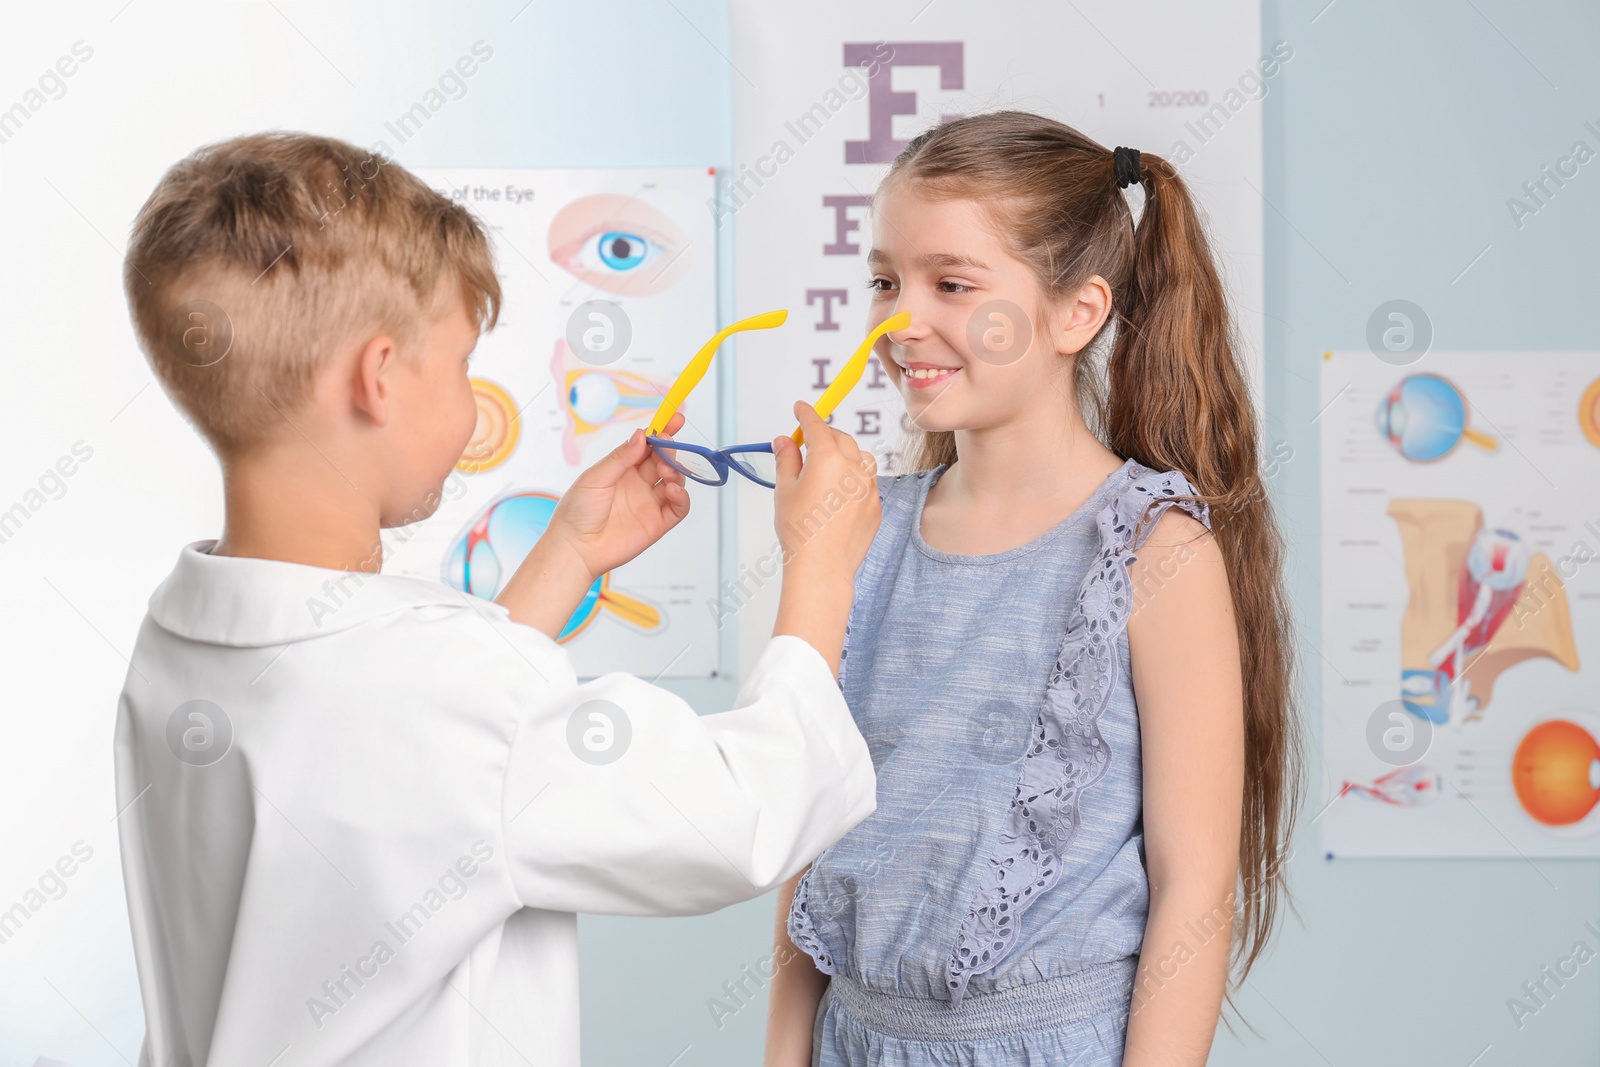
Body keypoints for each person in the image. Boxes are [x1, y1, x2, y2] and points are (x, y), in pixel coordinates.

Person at [112, 131, 880, 1067]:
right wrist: (820, 563)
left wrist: (567, 554)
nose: (473, 403)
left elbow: (415, 773)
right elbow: (741, 813)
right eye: (464, 364)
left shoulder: (182, 637)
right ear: (380, 375)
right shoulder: (442, 686)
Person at [764, 111, 1301, 1067]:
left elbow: (1194, 885)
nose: (900, 319)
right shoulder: (856, 530)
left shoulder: (1154, 549)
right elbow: (809, 839)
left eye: (953, 284)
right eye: (886, 280)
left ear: (1076, 313)